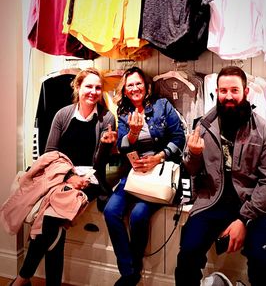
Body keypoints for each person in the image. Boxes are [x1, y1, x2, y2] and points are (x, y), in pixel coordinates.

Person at [175, 66, 266, 286]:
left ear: (246, 92)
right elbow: (192, 170)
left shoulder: (263, 130)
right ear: (216, 92)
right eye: (224, 91)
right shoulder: (202, 126)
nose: (229, 96)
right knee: (187, 256)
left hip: (253, 206)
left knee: (264, 267)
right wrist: (193, 155)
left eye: (234, 90)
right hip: (211, 201)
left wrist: (243, 219)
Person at [10, 67, 117, 286]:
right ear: (78, 87)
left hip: (91, 178)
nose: (93, 91)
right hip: (61, 174)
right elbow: (50, 153)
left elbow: (100, 164)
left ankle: (22, 278)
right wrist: (69, 176)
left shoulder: (106, 118)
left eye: (98, 87)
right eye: (88, 86)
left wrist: (107, 146)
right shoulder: (63, 114)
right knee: (53, 226)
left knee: (49, 220)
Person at [104, 66, 185, 286]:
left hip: (159, 172)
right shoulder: (123, 113)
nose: (134, 88)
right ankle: (129, 271)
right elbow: (122, 147)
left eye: (138, 83)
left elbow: (179, 139)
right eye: (130, 85)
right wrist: (132, 133)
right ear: (125, 90)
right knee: (111, 211)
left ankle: (133, 269)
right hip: (135, 173)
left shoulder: (162, 106)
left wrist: (158, 157)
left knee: (139, 215)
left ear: (146, 87)